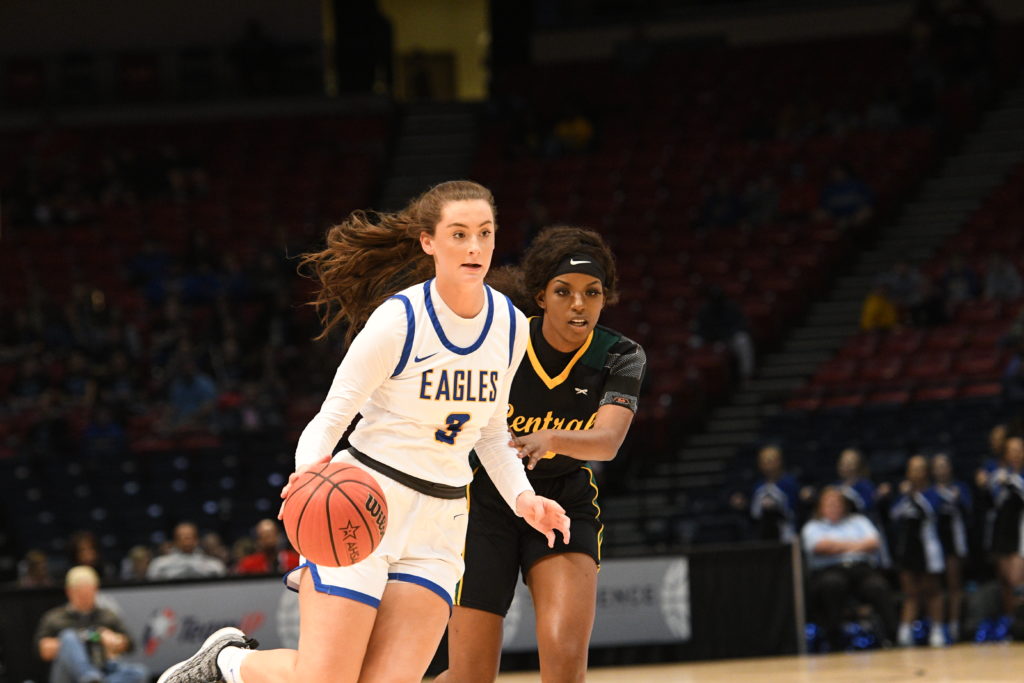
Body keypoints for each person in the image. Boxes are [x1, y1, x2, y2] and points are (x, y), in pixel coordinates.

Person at [157, 180, 569, 683]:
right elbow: (330, 419)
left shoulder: (511, 325)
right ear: (428, 242)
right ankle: (227, 662)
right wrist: (308, 476)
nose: (475, 247)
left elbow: (489, 430)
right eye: (458, 234)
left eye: (485, 233)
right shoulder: (399, 321)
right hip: (365, 499)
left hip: (440, 523)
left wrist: (524, 499)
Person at [438, 226, 647, 682]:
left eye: (592, 292)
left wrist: (551, 438)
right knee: (470, 675)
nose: (579, 304)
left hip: (563, 501)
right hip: (484, 504)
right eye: (564, 291)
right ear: (540, 296)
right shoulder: (500, 342)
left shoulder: (623, 356)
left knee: (564, 663)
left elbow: (608, 442)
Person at [801, 487, 896, 652]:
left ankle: (892, 637)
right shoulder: (813, 526)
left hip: (860, 570)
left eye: (837, 503)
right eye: (829, 504)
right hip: (829, 570)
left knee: (877, 586)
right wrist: (856, 545)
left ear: (844, 505)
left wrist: (837, 546)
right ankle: (834, 639)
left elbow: (873, 542)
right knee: (833, 585)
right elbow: (819, 547)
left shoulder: (858, 521)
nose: (834, 507)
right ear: (820, 507)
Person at [35, 565, 148, 683]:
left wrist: (115, 640)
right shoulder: (55, 617)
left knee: (138, 673)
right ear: (69, 591)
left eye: (87, 591)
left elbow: (130, 644)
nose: (84, 596)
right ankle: (89, 676)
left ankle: (93, 680)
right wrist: (81, 640)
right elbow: (43, 650)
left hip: (102, 670)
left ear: (95, 589)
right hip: (68, 676)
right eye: (79, 591)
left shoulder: (107, 615)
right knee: (68, 637)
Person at [890, 455, 946, 647]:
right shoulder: (902, 496)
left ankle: (937, 630)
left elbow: (931, 511)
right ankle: (905, 632)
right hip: (907, 549)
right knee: (910, 592)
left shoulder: (932, 493)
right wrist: (906, 496)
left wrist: (914, 496)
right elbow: (894, 516)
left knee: (932, 590)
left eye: (920, 468)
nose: (916, 472)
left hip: (929, 548)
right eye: (913, 469)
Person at [930, 453, 971, 642]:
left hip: (955, 541)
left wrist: (956, 499)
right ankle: (937, 627)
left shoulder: (960, 488)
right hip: (933, 542)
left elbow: (969, 509)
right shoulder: (929, 492)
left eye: (944, 465)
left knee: (955, 585)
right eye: (937, 466)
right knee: (935, 587)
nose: (941, 470)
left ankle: (955, 626)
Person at [986, 435, 1024, 640]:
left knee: (1017, 580)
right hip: (1003, 531)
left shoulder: (1017, 477)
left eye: (1019, 449)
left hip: (1021, 532)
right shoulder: (999, 474)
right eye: (1012, 450)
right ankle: (1011, 624)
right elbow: (995, 501)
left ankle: (1020, 621)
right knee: (1006, 583)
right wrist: (995, 482)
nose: (1016, 453)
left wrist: (1011, 481)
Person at [146, 522, 227, 581]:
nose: (186, 541)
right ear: (175, 541)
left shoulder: (214, 565)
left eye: (189, 537)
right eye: (182, 537)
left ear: (196, 540)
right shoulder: (159, 565)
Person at [235, 519, 300, 575]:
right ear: (258, 540)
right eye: (265, 536)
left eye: (272, 535)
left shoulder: (295, 561)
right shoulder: (248, 565)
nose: (269, 540)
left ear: (279, 537)